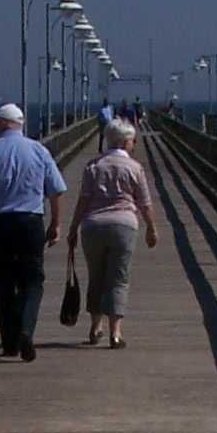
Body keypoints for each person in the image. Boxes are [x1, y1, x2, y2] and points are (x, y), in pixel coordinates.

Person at [0, 102, 65, 360]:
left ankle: (10, 343)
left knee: (4, 282)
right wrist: (56, 223)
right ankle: (26, 330)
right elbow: (55, 190)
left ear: (4, 123)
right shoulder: (38, 150)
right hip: (31, 221)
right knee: (33, 280)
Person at [66, 118, 159, 349]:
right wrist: (151, 227)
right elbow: (145, 202)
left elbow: (83, 201)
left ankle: (95, 326)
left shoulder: (93, 166)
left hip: (93, 226)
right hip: (124, 225)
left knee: (96, 276)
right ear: (126, 142)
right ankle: (115, 333)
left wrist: (73, 228)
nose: (134, 144)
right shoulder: (135, 168)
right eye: (133, 141)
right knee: (119, 278)